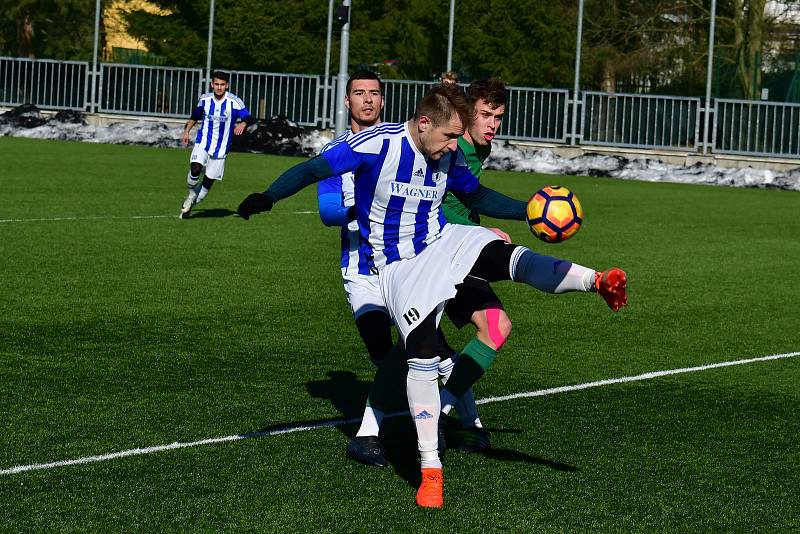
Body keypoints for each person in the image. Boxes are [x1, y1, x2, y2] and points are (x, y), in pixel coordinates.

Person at [238, 83, 627, 508]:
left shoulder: (449, 151)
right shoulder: (374, 146)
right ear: (424, 124)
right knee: (419, 353)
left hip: (441, 240)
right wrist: (269, 196)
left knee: (504, 256)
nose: (450, 149)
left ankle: (597, 281)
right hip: (396, 266)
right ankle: (430, 470)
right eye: (446, 138)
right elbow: (314, 169)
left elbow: (474, 194)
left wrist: (528, 209)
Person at [316, 72, 497, 468]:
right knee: (387, 350)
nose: (368, 100)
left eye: (375, 94)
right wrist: (366, 207)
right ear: (346, 101)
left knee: (420, 345)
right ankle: (458, 415)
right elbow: (327, 211)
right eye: (359, 94)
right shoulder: (337, 151)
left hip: (411, 262)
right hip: (362, 269)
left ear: (383, 101)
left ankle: (378, 433)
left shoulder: (408, 146)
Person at [179, 71, 253, 219]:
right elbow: (195, 116)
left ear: (227, 85)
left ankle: (191, 203)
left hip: (221, 148)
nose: (219, 87)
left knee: (207, 182)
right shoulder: (205, 99)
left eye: (222, 85)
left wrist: (243, 123)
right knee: (195, 168)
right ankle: (191, 193)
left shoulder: (234, 102)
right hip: (203, 142)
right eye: (216, 84)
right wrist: (187, 131)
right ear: (212, 84)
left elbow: (248, 116)